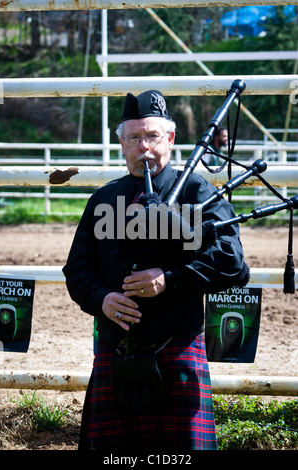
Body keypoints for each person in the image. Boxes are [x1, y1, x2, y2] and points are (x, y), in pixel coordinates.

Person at [63, 90, 247, 452]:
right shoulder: (104, 200)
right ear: (121, 143)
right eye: (133, 138)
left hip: (178, 346)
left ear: (171, 139)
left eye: (151, 136)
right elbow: (77, 269)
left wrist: (170, 279)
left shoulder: (198, 193)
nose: (142, 147)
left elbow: (232, 263)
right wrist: (103, 299)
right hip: (115, 351)